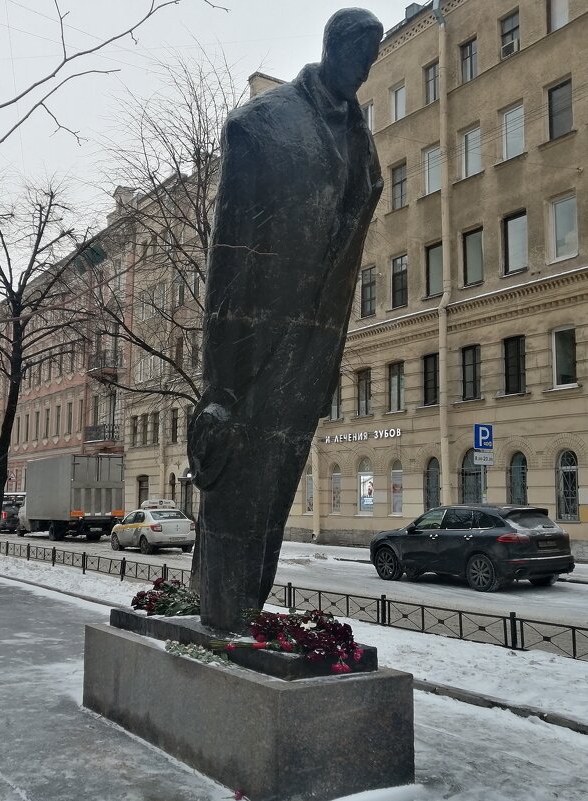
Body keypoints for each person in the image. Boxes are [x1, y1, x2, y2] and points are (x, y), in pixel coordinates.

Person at [188, 8, 385, 632]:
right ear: (333, 49)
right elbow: (228, 262)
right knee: (236, 490)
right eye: (361, 53)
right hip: (253, 347)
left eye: (375, 56)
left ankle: (241, 610)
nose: (368, 66)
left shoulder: (361, 140)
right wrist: (219, 384)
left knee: (275, 488)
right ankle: (221, 610)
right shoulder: (264, 127)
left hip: (314, 345)